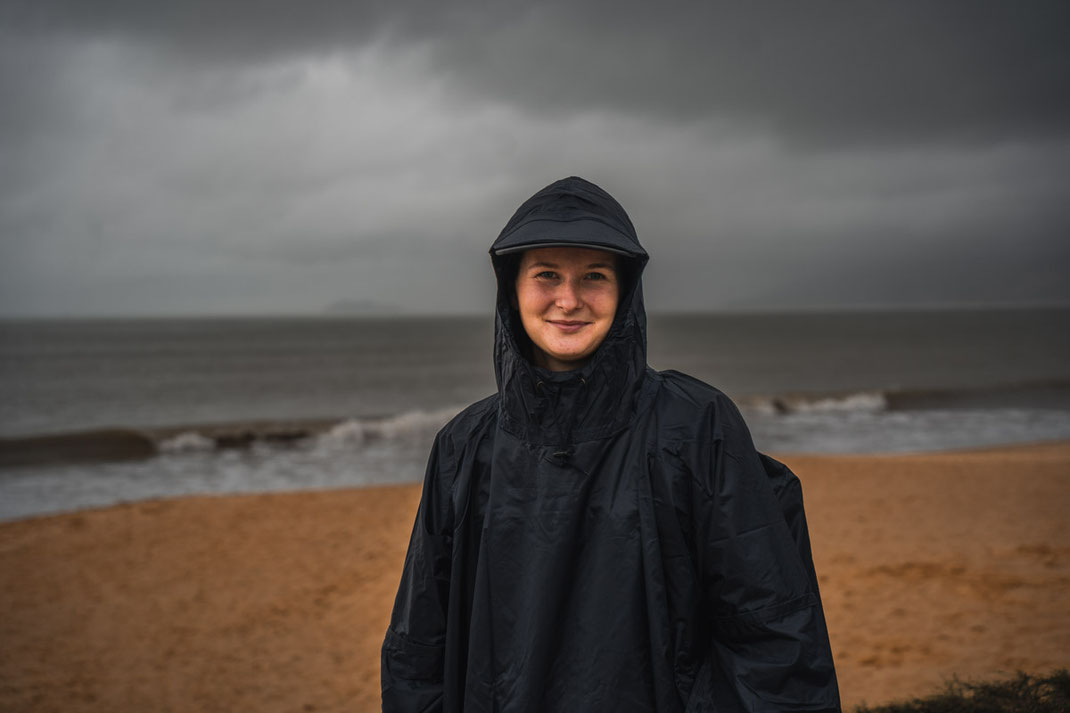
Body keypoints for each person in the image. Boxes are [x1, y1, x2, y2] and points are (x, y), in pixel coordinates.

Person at [381, 176, 840, 712]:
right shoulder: (465, 445)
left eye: (593, 277)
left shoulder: (694, 425)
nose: (568, 300)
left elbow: (771, 627)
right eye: (546, 275)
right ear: (512, 288)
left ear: (625, 292)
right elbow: (420, 644)